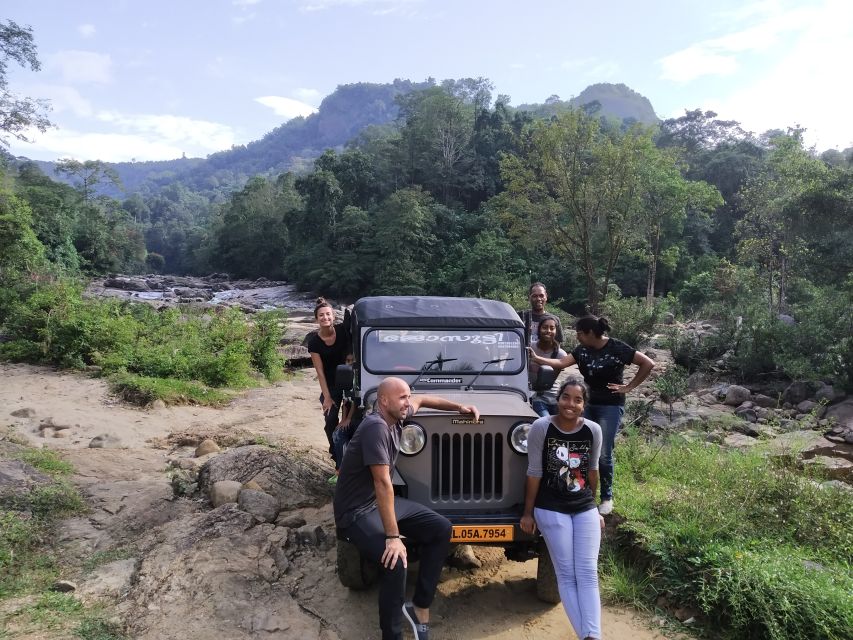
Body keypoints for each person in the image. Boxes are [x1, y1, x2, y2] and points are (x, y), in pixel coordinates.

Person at [334, 377, 480, 640]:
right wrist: (393, 538)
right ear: (383, 401)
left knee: (441, 529)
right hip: (355, 511)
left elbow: (423, 400)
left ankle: (420, 606)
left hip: (375, 503)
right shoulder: (375, 427)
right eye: (402, 398)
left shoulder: (396, 415)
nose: (407, 402)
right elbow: (382, 483)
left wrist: (460, 408)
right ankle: (392, 635)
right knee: (395, 561)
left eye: (406, 396)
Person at [529, 315, 655, 515]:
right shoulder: (582, 350)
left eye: (579, 333)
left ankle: (606, 497)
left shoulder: (617, 348)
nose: (576, 337)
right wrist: (537, 358)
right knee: (580, 450)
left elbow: (648, 363)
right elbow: (561, 363)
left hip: (610, 405)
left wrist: (629, 387)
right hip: (587, 405)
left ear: (589, 333)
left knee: (604, 454)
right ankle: (579, 490)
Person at [520, 378, 604, 640]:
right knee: (567, 574)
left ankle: (592, 636)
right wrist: (528, 512)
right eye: (566, 397)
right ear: (558, 399)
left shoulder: (593, 430)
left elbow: (592, 471)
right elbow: (534, 473)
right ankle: (588, 636)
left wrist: (596, 508)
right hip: (551, 506)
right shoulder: (541, 427)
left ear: (584, 404)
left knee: (588, 572)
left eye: (577, 400)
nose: (570, 404)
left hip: (584, 505)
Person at [306, 298, 351, 472]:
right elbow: (320, 372)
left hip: (348, 380)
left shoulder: (342, 331)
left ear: (333, 316)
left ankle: (350, 455)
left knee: (351, 420)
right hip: (330, 385)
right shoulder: (314, 342)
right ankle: (336, 456)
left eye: (328, 314)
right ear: (316, 319)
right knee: (330, 419)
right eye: (321, 315)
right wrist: (327, 397)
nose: (325, 318)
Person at [529, 314, 567, 417]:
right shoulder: (529, 347)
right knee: (546, 422)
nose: (548, 331)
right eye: (545, 327)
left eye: (552, 328)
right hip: (536, 397)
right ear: (539, 329)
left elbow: (550, 380)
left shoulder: (561, 354)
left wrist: (537, 359)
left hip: (554, 397)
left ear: (556, 331)